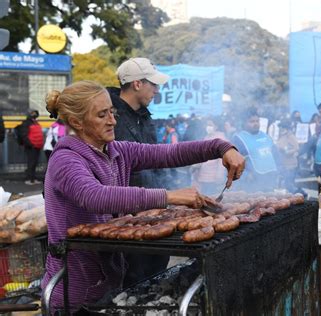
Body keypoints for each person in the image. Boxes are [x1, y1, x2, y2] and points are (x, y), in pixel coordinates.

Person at [40, 81, 245, 313]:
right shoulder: (65, 159)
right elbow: (94, 196)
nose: (112, 120)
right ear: (77, 122)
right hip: (73, 293)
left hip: (109, 285)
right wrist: (169, 196)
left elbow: (169, 153)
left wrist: (221, 147)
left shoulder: (117, 150)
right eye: (101, 115)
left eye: (112, 112)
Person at [107, 57, 172, 286]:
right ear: (137, 84)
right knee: (132, 280)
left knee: (156, 276)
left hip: (154, 211)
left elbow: (156, 159)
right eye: (152, 84)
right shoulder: (109, 118)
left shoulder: (145, 117)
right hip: (125, 216)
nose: (156, 90)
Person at [232, 109, 279, 192]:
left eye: (257, 121)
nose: (256, 124)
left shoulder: (266, 137)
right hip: (252, 183)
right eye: (252, 121)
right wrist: (246, 175)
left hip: (270, 180)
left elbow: (276, 155)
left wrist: (279, 171)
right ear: (244, 123)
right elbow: (233, 162)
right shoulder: (238, 139)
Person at [192, 117, 227, 195]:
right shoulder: (207, 137)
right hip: (204, 176)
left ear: (216, 126)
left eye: (210, 125)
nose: (208, 127)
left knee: (211, 198)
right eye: (207, 125)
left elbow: (222, 159)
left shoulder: (220, 138)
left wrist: (219, 175)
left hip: (213, 177)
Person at [18, 110, 44, 185]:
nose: (34, 114)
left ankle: (33, 178)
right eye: (32, 113)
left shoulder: (35, 122)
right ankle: (29, 179)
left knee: (35, 163)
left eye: (35, 113)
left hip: (37, 146)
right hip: (31, 147)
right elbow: (24, 135)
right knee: (31, 163)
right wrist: (30, 144)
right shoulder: (26, 123)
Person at [276, 120, 299, 192]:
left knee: (289, 184)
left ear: (286, 128)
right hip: (284, 164)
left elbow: (296, 148)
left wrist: (286, 152)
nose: (280, 129)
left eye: (281, 127)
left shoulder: (290, 136)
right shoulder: (282, 136)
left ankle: (301, 194)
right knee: (286, 183)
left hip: (290, 164)